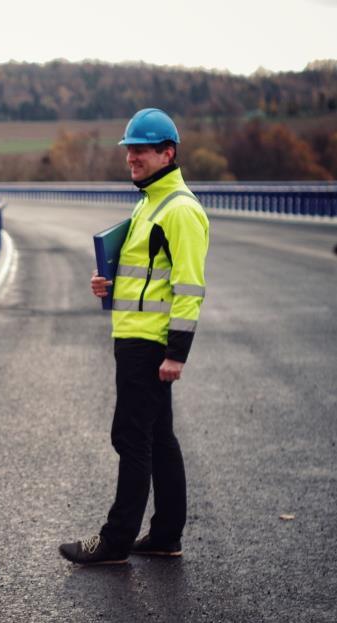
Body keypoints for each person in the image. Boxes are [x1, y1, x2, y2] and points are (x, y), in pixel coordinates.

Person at [59, 108, 210, 565]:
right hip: (134, 337)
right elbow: (147, 276)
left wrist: (176, 354)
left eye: (141, 150)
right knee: (159, 438)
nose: (132, 158)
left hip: (149, 344)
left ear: (169, 152)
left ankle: (115, 539)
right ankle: (165, 534)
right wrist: (106, 284)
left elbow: (189, 288)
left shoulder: (180, 211)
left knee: (131, 438)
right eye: (129, 150)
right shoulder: (148, 204)